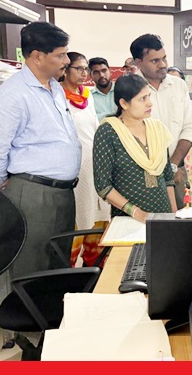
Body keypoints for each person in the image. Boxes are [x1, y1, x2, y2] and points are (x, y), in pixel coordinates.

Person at [0, 21, 80, 294]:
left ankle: (52, 319)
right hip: (33, 195)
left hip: (61, 194)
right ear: (36, 56)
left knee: (57, 265)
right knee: (31, 269)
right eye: (60, 55)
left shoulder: (54, 87)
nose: (66, 61)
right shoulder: (13, 95)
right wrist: (7, 183)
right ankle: (26, 321)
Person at [93, 74, 178, 222]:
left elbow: (168, 178)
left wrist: (173, 215)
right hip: (128, 221)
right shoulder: (108, 132)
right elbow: (103, 186)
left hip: (162, 218)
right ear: (124, 104)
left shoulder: (157, 129)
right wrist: (135, 212)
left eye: (149, 96)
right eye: (142, 99)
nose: (149, 103)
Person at [130, 34, 192, 210]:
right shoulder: (129, 88)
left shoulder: (178, 86)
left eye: (164, 58)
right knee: (146, 224)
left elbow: (188, 128)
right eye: (155, 61)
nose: (162, 65)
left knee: (181, 220)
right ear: (138, 63)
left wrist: (172, 166)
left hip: (177, 171)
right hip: (141, 175)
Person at [60, 52, 111, 267]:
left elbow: (93, 128)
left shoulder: (87, 95)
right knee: (79, 217)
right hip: (75, 165)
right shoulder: (57, 97)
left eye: (85, 69)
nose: (84, 73)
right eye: (78, 69)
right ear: (65, 70)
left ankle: (95, 270)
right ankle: (71, 273)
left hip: (93, 162)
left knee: (99, 216)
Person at [89, 57, 117, 121]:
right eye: (96, 72)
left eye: (104, 71)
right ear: (91, 75)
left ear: (110, 71)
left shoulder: (122, 91)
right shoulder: (88, 97)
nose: (101, 75)